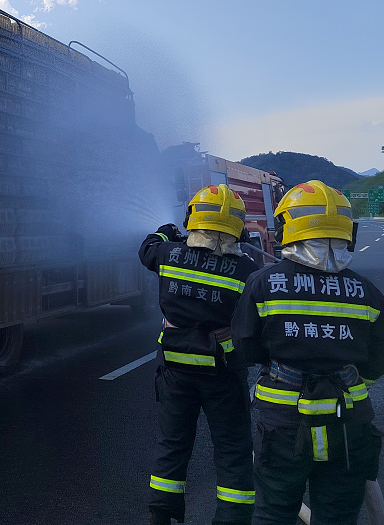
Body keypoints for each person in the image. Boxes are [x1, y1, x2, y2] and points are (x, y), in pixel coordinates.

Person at [231, 180, 384, 525]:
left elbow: (246, 345)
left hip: (283, 422)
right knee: (337, 514)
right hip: (348, 421)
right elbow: (380, 359)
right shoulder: (368, 291)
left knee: (274, 512)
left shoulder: (263, 282)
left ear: (286, 228)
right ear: (349, 231)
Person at [139, 184, 260, 525]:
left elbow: (148, 248)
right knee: (233, 449)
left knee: (172, 446)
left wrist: (165, 233)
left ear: (193, 217)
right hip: (223, 372)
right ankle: (232, 518)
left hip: (175, 370)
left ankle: (160, 516)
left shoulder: (168, 254)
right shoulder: (247, 271)